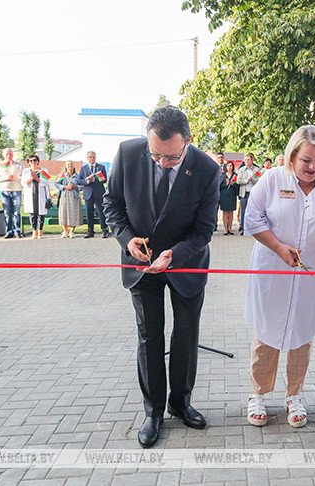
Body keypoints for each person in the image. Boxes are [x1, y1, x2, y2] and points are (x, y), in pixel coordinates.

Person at [102, 105, 220, 449]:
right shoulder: (127, 153)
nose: (162, 163)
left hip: (185, 264)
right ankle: (153, 411)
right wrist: (127, 240)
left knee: (185, 335)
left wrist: (175, 255)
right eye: (156, 156)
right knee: (149, 337)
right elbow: (112, 204)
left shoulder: (207, 169)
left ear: (188, 141)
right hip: (141, 262)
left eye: (171, 158)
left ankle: (180, 402)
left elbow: (204, 231)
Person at [243, 125, 315, 428]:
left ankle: (295, 395)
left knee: (302, 333)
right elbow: (252, 219)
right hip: (272, 268)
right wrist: (278, 247)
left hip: (311, 272)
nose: (312, 167)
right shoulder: (273, 179)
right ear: (292, 156)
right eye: (306, 160)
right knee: (267, 331)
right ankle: (258, 394)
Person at [0, 148, 25, 238]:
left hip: (16, 190)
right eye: (6, 154)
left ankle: (17, 231)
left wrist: (16, 178)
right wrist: (5, 178)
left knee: (16, 212)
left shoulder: (19, 165)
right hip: (4, 191)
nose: (8, 156)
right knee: (7, 212)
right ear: (3, 155)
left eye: (10, 154)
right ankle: (9, 231)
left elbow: (25, 178)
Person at [79, 151, 110, 238]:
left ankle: (104, 230)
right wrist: (87, 181)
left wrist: (94, 179)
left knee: (101, 212)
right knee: (89, 213)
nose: (92, 159)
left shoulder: (101, 167)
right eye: (90, 157)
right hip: (88, 193)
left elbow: (104, 180)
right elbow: (79, 180)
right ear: (87, 158)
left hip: (98, 193)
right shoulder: (83, 168)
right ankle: (90, 231)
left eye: (93, 157)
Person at [22, 155, 50, 240]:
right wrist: (32, 178)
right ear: (28, 162)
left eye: (34, 160)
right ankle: (34, 231)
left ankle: (40, 230)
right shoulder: (26, 171)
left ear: (38, 161)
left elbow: (47, 182)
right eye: (30, 161)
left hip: (40, 194)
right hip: (31, 194)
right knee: (32, 213)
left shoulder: (44, 170)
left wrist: (37, 179)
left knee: (41, 213)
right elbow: (23, 183)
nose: (33, 162)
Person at [56, 161, 83, 238]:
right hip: (65, 196)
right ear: (66, 166)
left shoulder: (78, 176)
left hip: (74, 197)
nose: (70, 166)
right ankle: (65, 231)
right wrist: (65, 187)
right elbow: (57, 184)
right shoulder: (62, 175)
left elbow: (82, 186)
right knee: (64, 213)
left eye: (71, 164)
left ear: (74, 166)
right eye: (68, 164)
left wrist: (74, 186)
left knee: (74, 213)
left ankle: (72, 231)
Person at [235, 153, 259, 234]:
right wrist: (246, 180)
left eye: (248, 160)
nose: (247, 161)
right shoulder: (241, 170)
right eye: (245, 160)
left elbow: (260, 181)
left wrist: (252, 180)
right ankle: (243, 227)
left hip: (253, 193)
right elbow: (238, 181)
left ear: (252, 160)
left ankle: (252, 228)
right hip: (244, 193)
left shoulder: (256, 169)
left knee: (253, 211)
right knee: (243, 210)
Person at [218, 161, 239, 235]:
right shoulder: (222, 175)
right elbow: (219, 185)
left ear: (233, 167)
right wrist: (226, 184)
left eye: (231, 166)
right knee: (225, 212)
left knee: (231, 212)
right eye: (228, 166)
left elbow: (237, 186)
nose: (229, 167)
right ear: (226, 167)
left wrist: (233, 183)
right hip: (224, 195)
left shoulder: (235, 175)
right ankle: (225, 229)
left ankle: (230, 228)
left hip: (232, 195)